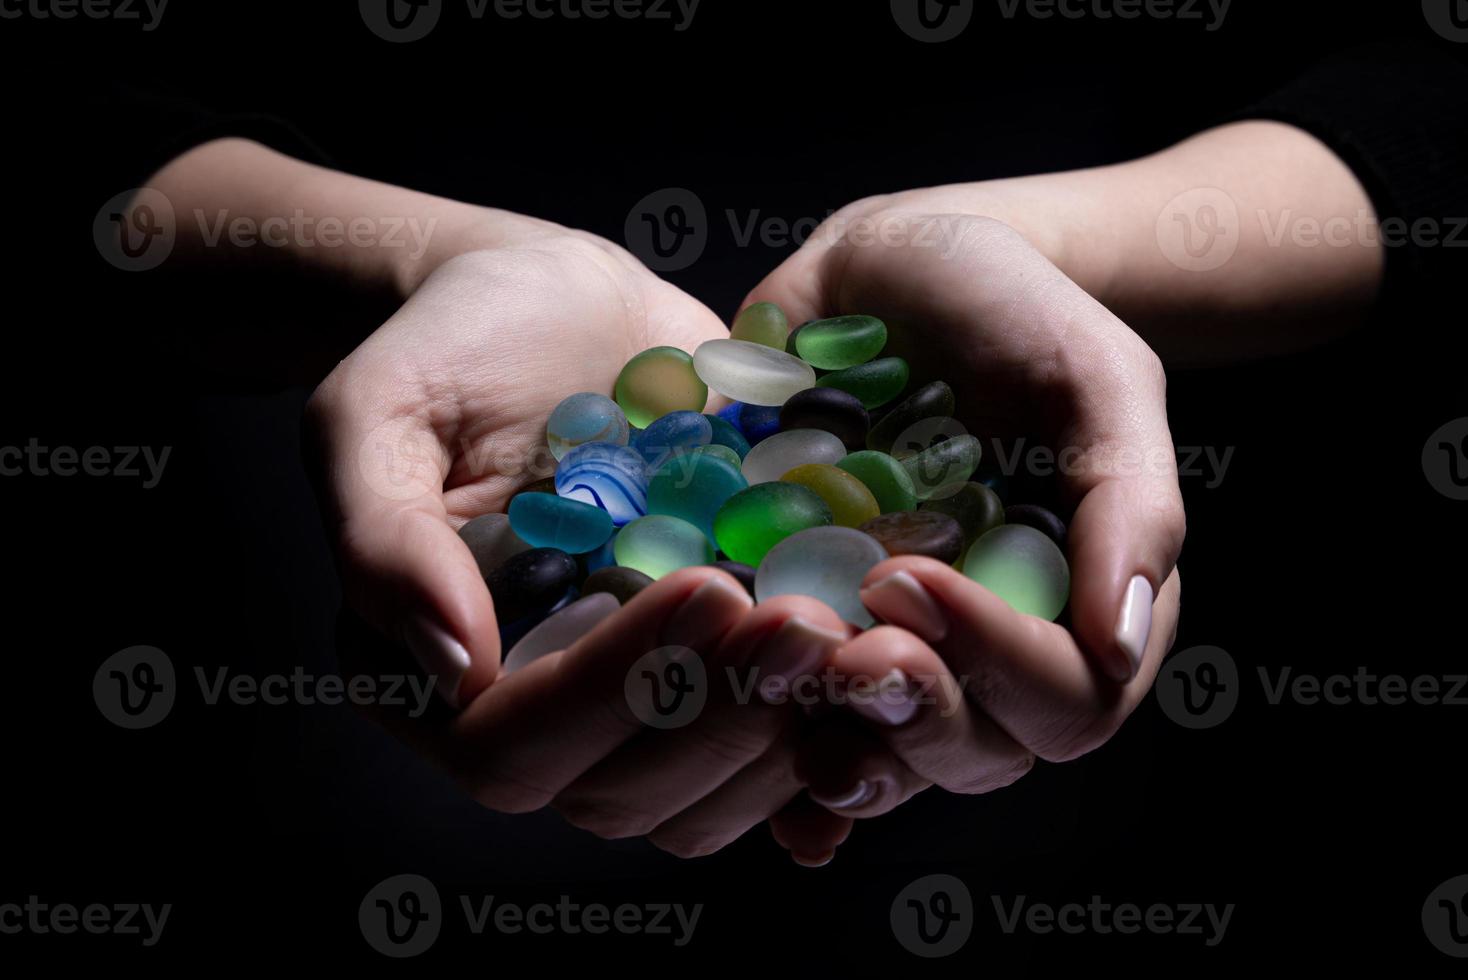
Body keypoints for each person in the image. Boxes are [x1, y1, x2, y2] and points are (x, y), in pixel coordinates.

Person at [102, 42, 1468, 866]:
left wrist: (1064, 252)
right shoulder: (620, 479)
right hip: (288, 771)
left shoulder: (909, 462)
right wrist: (414, 262)